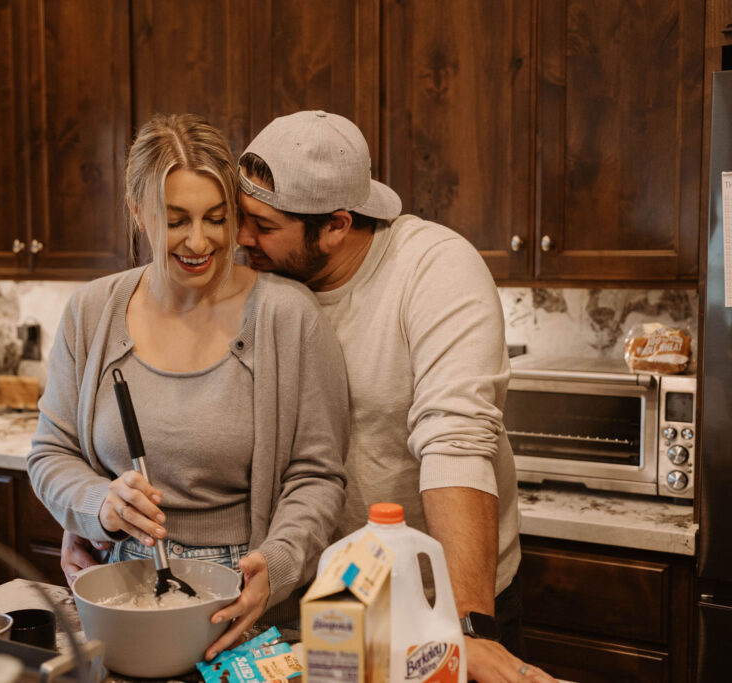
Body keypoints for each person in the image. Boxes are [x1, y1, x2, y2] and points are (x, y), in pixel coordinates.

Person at [234, 111, 558, 683]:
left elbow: (456, 440)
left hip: (446, 596)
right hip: (328, 599)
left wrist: (467, 630)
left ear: (335, 225)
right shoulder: (256, 280)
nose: (240, 238)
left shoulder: (433, 269)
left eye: (261, 224)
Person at [27, 113, 350, 659]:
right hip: (121, 593)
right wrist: (98, 503)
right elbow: (49, 454)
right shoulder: (90, 313)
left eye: (216, 219)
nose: (199, 242)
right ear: (139, 214)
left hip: (248, 603)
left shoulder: (288, 317)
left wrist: (278, 564)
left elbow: (317, 475)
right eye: (176, 220)